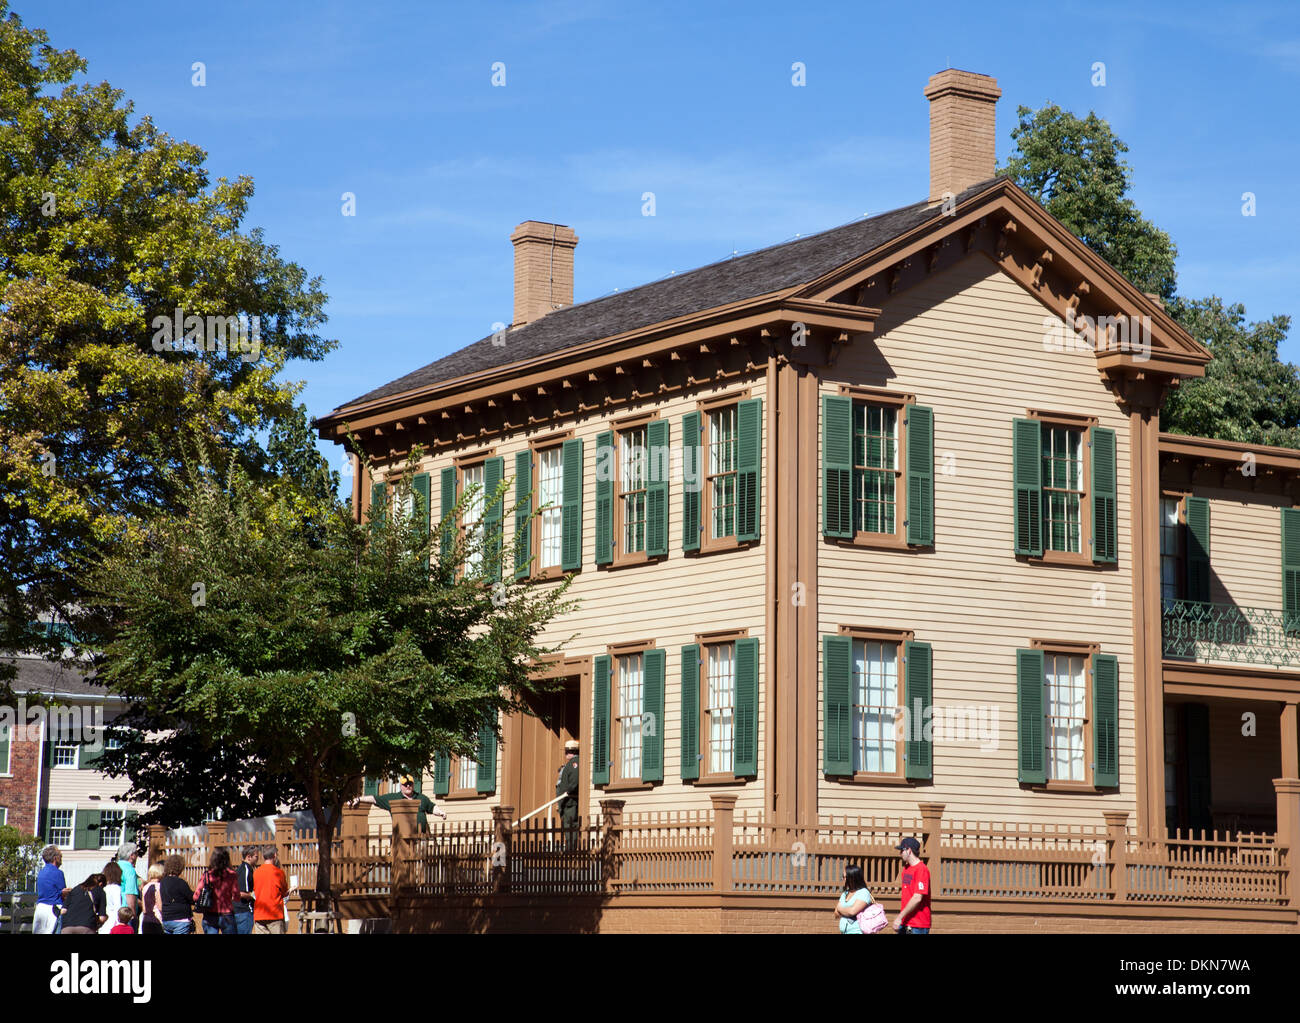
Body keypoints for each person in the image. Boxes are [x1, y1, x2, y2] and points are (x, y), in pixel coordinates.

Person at [351, 774, 446, 831]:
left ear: (413, 785)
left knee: (420, 864)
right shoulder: (394, 798)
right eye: (405, 784)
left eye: (410, 784)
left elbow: (432, 807)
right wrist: (359, 799)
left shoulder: (421, 798)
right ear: (401, 786)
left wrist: (441, 812)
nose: (408, 786)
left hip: (421, 838)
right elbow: (375, 799)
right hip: (401, 839)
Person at [893, 837, 932, 934]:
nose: (900, 853)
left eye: (902, 850)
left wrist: (900, 917)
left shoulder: (921, 869)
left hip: (917, 924)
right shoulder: (906, 869)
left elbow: (917, 897)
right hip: (906, 921)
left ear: (909, 850)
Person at [196, 847, 239, 934]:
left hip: (210, 914)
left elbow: (196, 896)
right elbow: (236, 896)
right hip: (227, 914)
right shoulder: (232, 875)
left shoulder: (207, 875)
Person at [252, 845, 289, 934]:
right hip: (275, 914)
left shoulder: (256, 872)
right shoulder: (279, 873)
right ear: (275, 855)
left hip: (259, 914)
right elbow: (284, 893)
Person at [34, 845, 69, 934]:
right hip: (54, 908)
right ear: (55, 858)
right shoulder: (58, 873)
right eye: (60, 856)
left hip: (40, 908)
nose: (61, 859)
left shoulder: (41, 872)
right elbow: (63, 893)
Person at [833, 864, 875, 934]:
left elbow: (852, 911)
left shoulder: (863, 892)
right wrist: (847, 910)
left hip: (858, 931)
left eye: (845, 877)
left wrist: (841, 909)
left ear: (853, 878)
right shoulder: (845, 894)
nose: (843, 879)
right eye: (842, 877)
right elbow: (836, 913)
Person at [159, 854, 195, 934]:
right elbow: (191, 898)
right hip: (181, 919)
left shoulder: (163, 882)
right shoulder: (181, 882)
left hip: (166, 918)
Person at [556, 740, 580, 851]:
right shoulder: (569, 764)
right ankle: (570, 847)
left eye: (568, 751)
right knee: (567, 825)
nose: (566, 754)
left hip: (570, 801)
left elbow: (574, 782)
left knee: (570, 825)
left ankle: (571, 849)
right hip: (565, 801)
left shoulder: (575, 763)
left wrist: (567, 793)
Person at [234, 846, 259, 935]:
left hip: (238, 911)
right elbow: (241, 893)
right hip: (244, 911)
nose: (258, 859)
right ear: (249, 857)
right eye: (256, 857)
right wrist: (254, 896)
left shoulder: (241, 869)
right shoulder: (245, 869)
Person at [115, 842, 140, 924]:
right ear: (132, 855)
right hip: (125, 913)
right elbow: (130, 893)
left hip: (113, 910)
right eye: (136, 853)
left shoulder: (114, 866)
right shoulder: (130, 870)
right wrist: (133, 915)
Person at [139, 862, 166, 935]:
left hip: (146, 919)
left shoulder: (145, 887)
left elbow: (144, 908)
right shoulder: (159, 886)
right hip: (157, 919)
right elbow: (159, 906)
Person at [98, 861, 124, 934]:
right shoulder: (116, 889)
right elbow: (118, 907)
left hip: (103, 922)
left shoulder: (103, 888)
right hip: (113, 922)